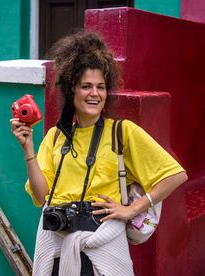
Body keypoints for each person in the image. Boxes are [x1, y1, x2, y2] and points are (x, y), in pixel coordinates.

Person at [10, 31, 187, 276]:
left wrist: (132, 209)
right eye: (86, 86)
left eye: (101, 87)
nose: (95, 93)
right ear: (72, 90)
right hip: (57, 250)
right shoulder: (55, 137)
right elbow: (41, 197)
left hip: (104, 252)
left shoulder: (122, 132)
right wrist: (27, 148)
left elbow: (175, 175)